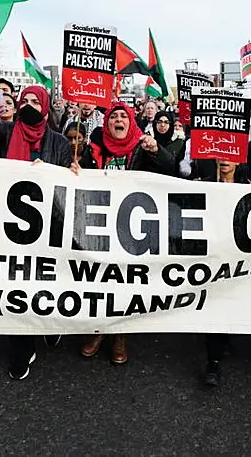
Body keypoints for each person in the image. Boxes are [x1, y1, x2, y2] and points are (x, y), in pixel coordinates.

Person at [0, 61, 72, 380]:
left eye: (34, 102)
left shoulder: (60, 143)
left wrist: (67, 173)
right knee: (17, 284)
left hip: (46, 227)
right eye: (24, 101)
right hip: (9, 225)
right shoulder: (6, 132)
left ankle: (48, 323)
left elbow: (68, 186)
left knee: (45, 283)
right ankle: (21, 345)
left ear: (44, 108)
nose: (28, 106)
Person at [76, 102, 174, 363]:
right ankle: (99, 330)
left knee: (124, 280)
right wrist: (74, 170)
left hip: (131, 226)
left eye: (123, 116)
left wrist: (157, 151)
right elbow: (79, 176)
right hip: (99, 223)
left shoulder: (142, 147)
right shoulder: (93, 149)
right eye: (113, 116)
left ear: (131, 122)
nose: (118, 119)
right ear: (106, 123)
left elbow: (170, 168)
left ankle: (120, 334)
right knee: (98, 280)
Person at [148, 110, 185, 175]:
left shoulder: (178, 143)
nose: (162, 125)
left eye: (166, 122)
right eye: (159, 122)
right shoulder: (148, 141)